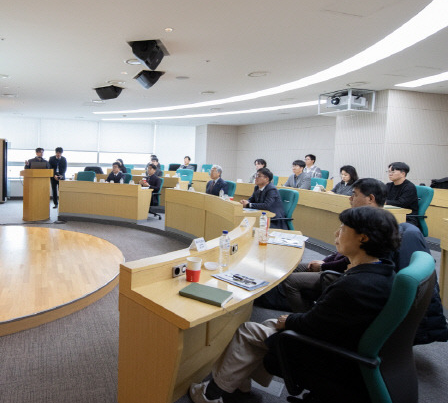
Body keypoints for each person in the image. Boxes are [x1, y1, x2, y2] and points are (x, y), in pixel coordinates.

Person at [189, 206, 399, 403]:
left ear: (363, 238)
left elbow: (312, 324)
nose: (336, 233)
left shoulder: (353, 285)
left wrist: (289, 320)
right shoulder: (384, 270)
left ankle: (212, 395)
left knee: (247, 331)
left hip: (326, 353)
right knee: (268, 325)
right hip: (346, 344)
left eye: (343, 229)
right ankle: (236, 388)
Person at [279, 178, 447, 344]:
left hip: (353, 277)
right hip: (355, 274)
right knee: (297, 268)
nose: (350, 198)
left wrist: (325, 265)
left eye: (354, 194)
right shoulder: (379, 221)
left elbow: (353, 260)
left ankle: (312, 325)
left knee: (292, 282)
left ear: (370, 198)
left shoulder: (372, 227)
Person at [386, 161, 420, 230]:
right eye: (389, 172)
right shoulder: (389, 185)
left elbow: (401, 203)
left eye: (393, 172)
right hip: (393, 215)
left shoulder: (409, 187)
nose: (390, 174)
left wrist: (385, 202)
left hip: (407, 217)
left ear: (403, 174)